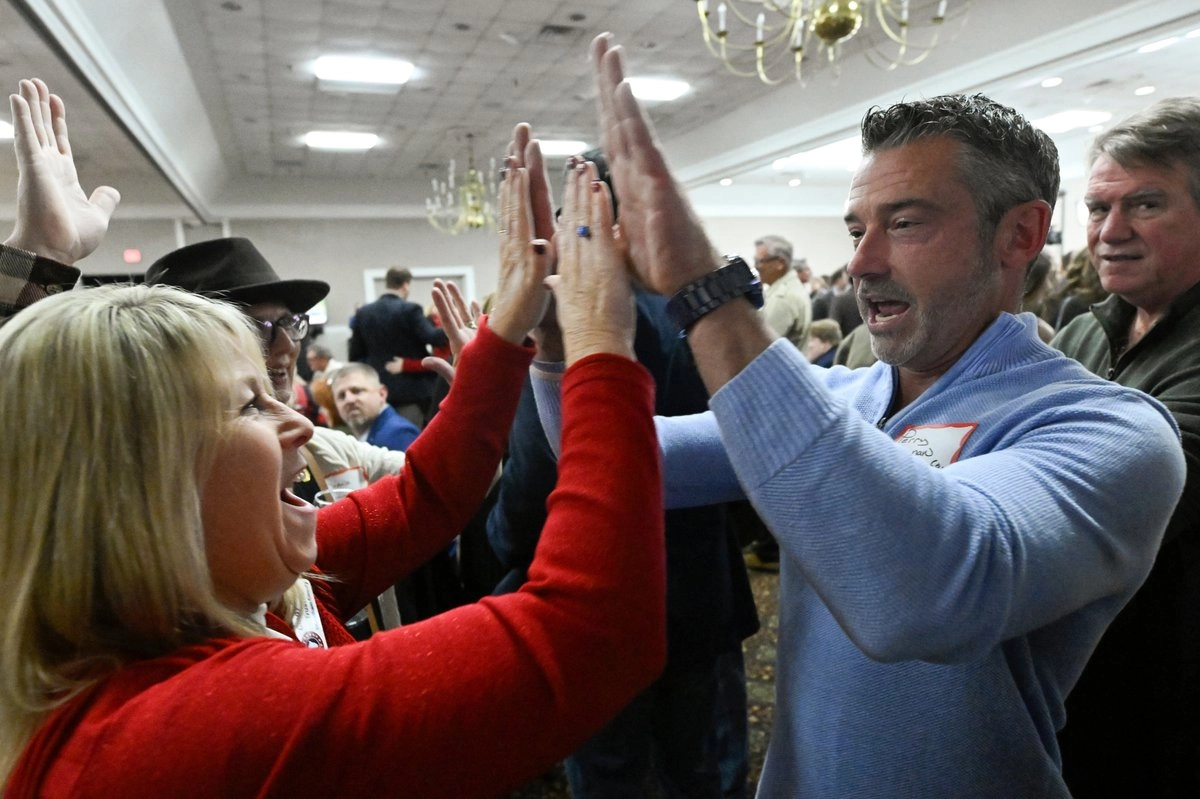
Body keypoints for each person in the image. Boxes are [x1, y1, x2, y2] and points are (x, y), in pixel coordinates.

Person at [531, 34, 1186, 796]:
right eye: (855, 230)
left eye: (905, 223)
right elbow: (625, 458)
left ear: (1019, 236)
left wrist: (705, 294)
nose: (863, 261)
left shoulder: (1113, 431)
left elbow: (922, 595)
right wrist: (557, 345)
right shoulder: (846, 393)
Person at [0, 113, 668, 796]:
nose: (296, 422)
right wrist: (599, 345)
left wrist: (505, 332)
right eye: (251, 404)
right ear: (146, 480)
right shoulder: (188, 724)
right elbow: (591, 631)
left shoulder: (204, 587)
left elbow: (423, 496)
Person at [489, 135, 758, 798]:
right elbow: (757, 450)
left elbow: (529, 493)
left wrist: (497, 540)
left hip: (593, 609)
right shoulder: (705, 320)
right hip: (700, 594)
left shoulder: (566, 329)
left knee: (613, 778)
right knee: (708, 777)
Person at [1052, 96, 1200, 798]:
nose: (1111, 231)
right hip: (1074, 669)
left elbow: (1124, 504)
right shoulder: (1084, 329)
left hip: (1169, 681)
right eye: (1096, 208)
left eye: (1145, 205)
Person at [144, 238, 406, 499]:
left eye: (288, 322)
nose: (287, 343)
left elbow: (426, 476)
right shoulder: (164, 488)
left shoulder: (322, 449)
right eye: (255, 328)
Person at [349, 266, 450, 427]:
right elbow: (433, 338)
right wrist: (454, 323)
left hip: (379, 389)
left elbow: (355, 355)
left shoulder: (364, 313)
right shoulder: (410, 310)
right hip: (413, 391)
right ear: (405, 285)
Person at [330, 362, 420, 451]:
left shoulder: (398, 434)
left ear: (382, 394)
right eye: (341, 396)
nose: (349, 400)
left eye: (356, 391)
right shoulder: (370, 435)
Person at [754, 234, 810, 349]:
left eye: (760, 261)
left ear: (780, 263)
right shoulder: (789, 288)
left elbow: (760, 347)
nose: (756, 267)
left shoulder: (783, 298)